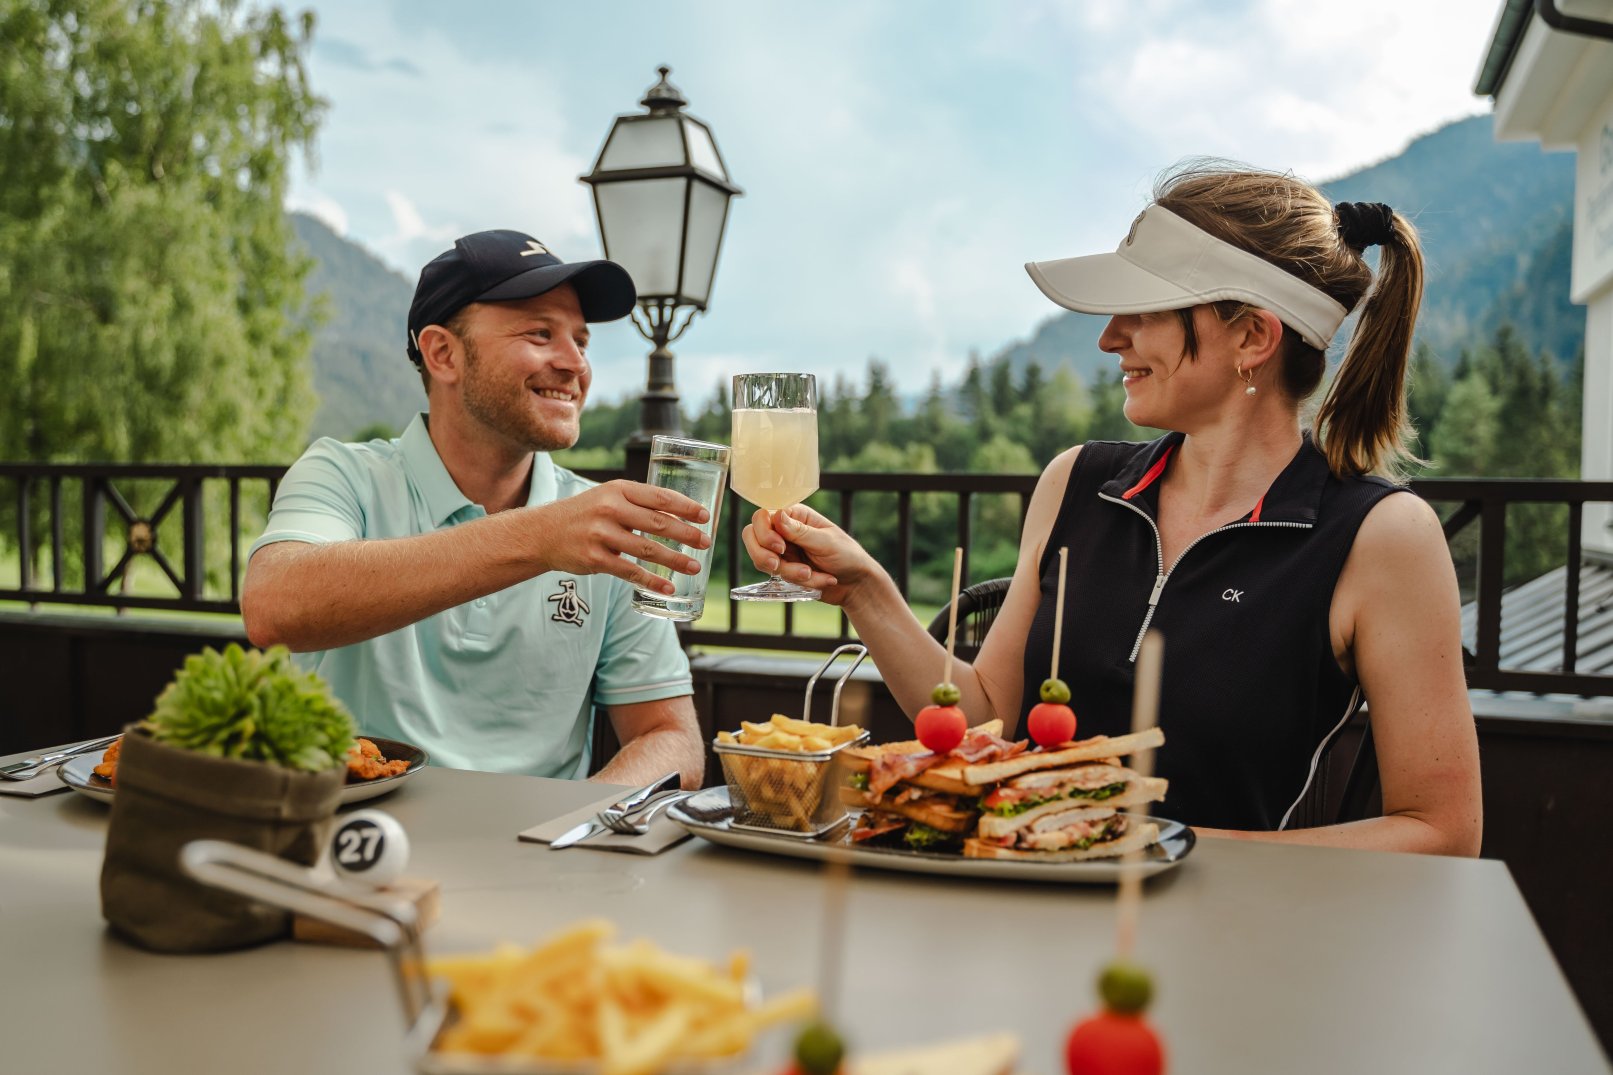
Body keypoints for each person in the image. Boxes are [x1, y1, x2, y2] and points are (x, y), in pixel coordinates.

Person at [744, 163, 1482, 854]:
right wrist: (863, 591)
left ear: (1252, 336)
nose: (1108, 337)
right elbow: (980, 719)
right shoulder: (1075, 481)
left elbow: (1442, 829)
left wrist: (1142, 847)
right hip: (1015, 919)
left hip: (1218, 947)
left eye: (1144, 310)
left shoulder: (1379, 536)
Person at [242, 230, 707, 788]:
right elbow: (273, 605)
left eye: (581, 341)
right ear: (443, 353)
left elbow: (671, 738)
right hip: (353, 849)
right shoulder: (344, 474)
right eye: (541, 333)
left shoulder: (601, 524)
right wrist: (539, 537)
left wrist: (575, 831)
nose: (575, 364)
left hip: (542, 860)